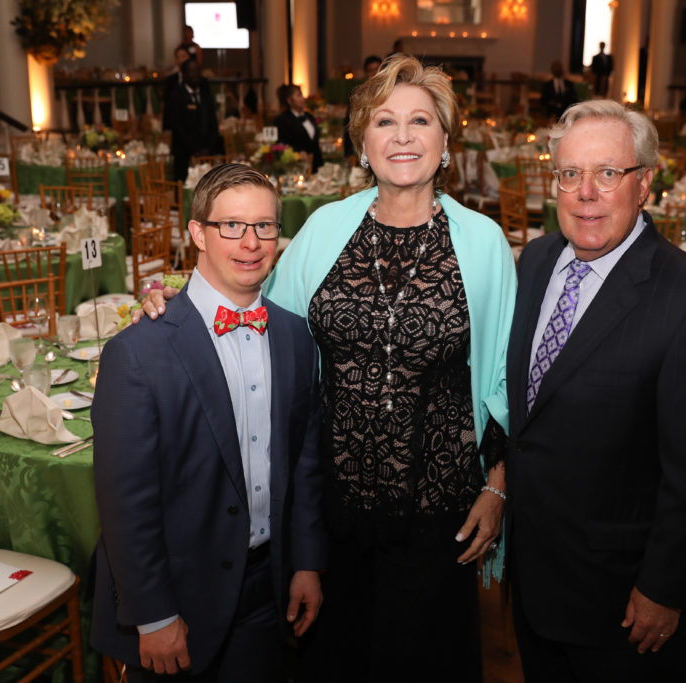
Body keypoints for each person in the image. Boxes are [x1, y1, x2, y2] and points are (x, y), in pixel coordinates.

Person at [138, 54, 516, 683]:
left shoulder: (483, 243)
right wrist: (175, 301)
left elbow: (505, 379)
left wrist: (497, 486)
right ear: (361, 144)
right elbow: (254, 313)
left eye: (420, 121)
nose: (402, 136)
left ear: (446, 142)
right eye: (385, 122)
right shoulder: (323, 229)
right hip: (329, 516)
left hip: (438, 518)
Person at [505, 100, 686, 681]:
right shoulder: (535, 262)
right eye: (570, 174)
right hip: (534, 579)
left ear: (645, 185)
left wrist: (666, 588)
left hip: (623, 605)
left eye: (608, 173)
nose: (586, 192)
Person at [90, 163, 326, 681]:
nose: (251, 242)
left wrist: (306, 562)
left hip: (268, 585)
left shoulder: (294, 336)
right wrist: (152, 614)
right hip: (178, 597)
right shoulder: (137, 351)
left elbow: (304, 463)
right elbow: (125, 499)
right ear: (197, 231)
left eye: (264, 226)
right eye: (232, 226)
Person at [163, 59, 222, 181]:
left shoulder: (205, 95)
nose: (195, 75)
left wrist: (208, 148)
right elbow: (177, 127)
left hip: (207, 155)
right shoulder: (176, 96)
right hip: (184, 155)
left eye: (197, 71)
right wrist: (195, 150)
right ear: (184, 74)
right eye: (191, 71)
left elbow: (213, 124)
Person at [274, 84, 323, 173]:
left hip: (316, 165)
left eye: (302, 95)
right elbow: (282, 144)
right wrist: (298, 152)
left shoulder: (309, 116)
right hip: (296, 167)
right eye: (299, 95)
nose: (303, 98)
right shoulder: (282, 120)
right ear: (289, 100)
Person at [343, 55, 384, 160]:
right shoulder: (359, 96)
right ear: (366, 73)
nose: (374, 74)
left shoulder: (393, 93)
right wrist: (348, 153)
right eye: (371, 71)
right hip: (365, 149)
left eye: (377, 70)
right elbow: (349, 125)